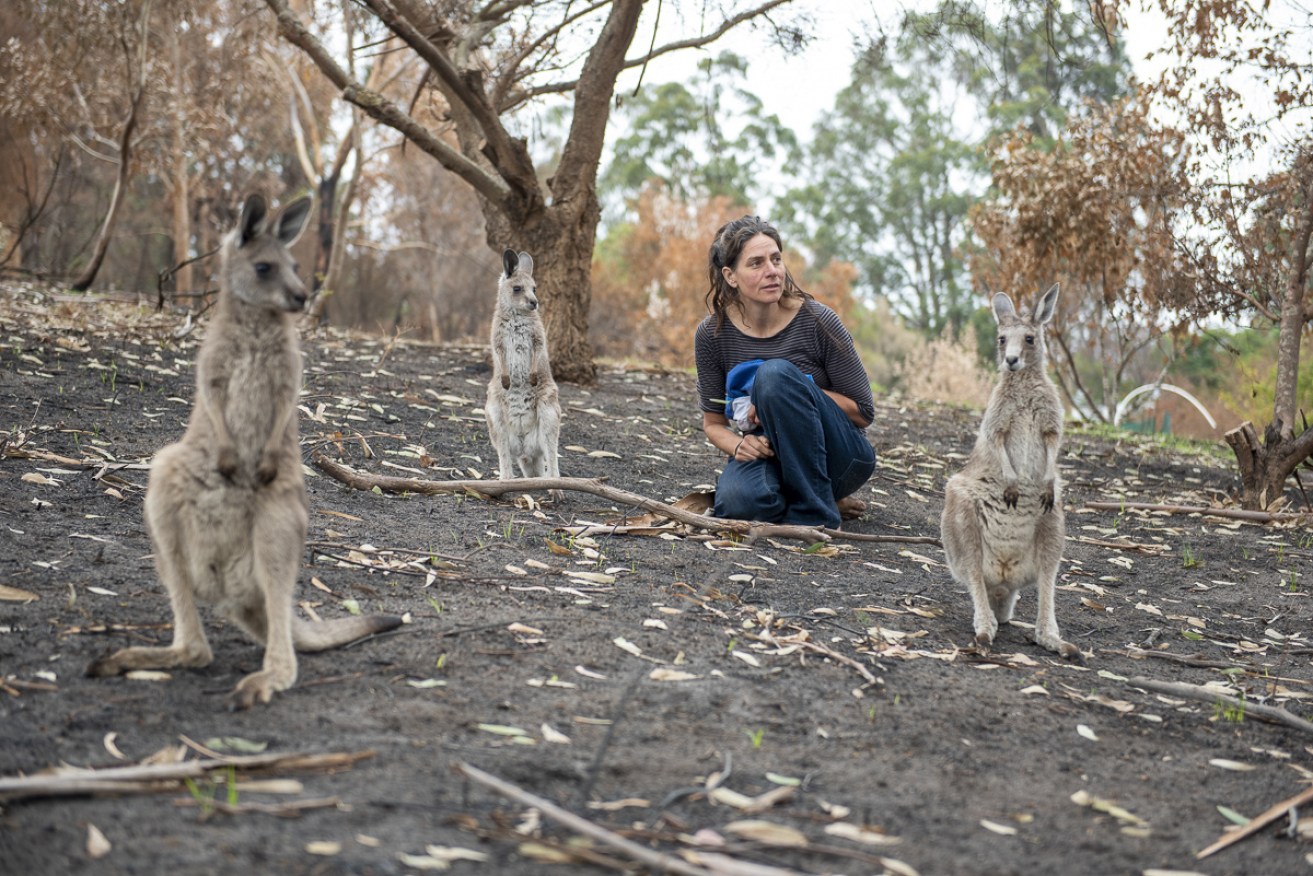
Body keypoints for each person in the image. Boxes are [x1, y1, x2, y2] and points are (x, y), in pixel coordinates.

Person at [695, 215, 876, 530]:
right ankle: (816, 496)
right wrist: (738, 445)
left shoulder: (818, 321)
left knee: (774, 375)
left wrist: (791, 393)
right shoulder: (713, 335)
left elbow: (863, 412)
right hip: (770, 453)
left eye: (776, 259)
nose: (772, 271)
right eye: (756, 263)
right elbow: (713, 424)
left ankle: (816, 513)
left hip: (840, 457)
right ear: (731, 276)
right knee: (738, 504)